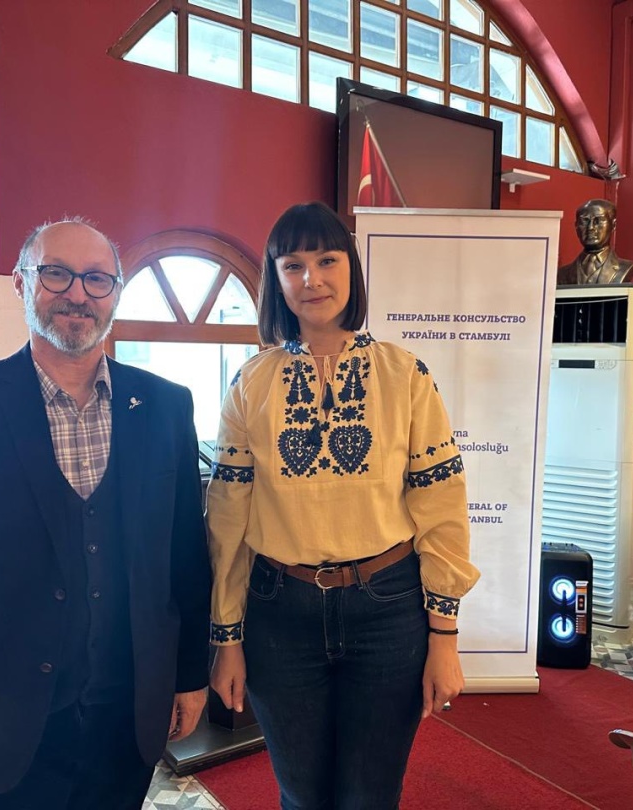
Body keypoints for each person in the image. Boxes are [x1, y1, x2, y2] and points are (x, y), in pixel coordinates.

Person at [0, 218, 211, 810]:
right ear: (21, 283)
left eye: (97, 279)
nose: (78, 294)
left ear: (115, 294)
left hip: (127, 720)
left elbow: (185, 559)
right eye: (56, 274)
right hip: (2, 729)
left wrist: (190, 675)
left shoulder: (166, 406)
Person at [207, 201, 480, 809]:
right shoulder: (250, 383)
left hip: (388, 611)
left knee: (371, 797)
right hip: (280, 614)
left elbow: (441, 507)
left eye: (327, 260)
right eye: (293, 265)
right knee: (301, 796)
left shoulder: (406, 375)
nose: (312, 279)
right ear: (277, 280)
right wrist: (227, 638)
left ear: (351, 268)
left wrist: (444, 636)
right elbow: (227, 521)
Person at [557, 198, 633, 285]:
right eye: (585, 221)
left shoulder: (625, 268)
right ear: (576, 226)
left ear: (613, 225)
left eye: (598, 221)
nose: (590, 228)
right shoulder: (562, 274)